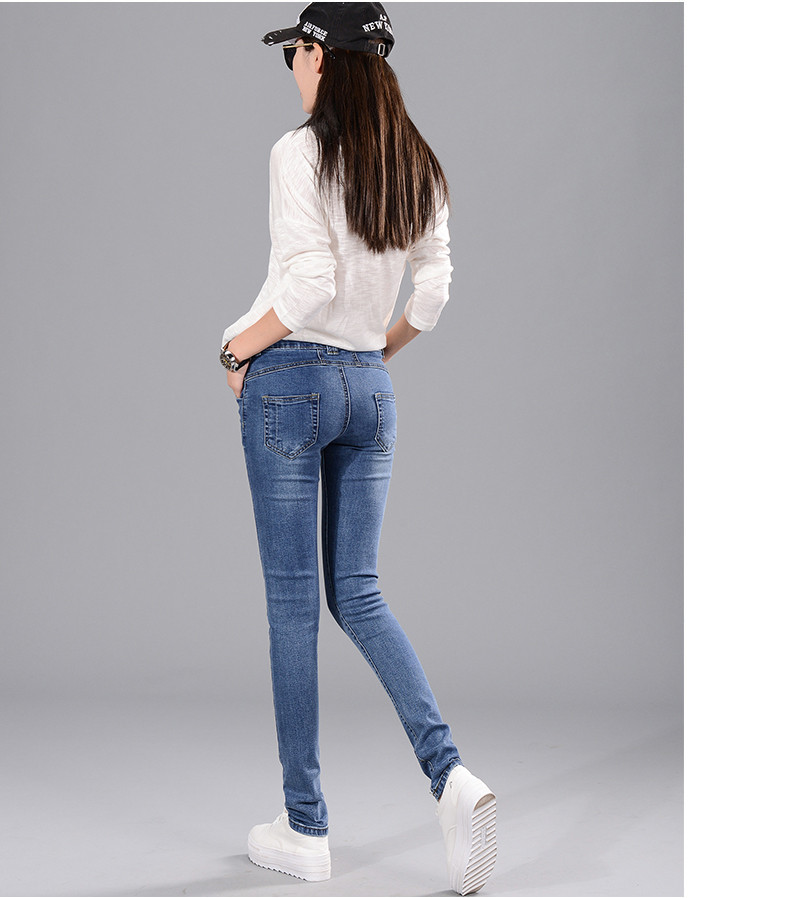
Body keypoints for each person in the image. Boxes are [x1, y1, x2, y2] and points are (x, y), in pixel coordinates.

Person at [218, 4, 496, 894]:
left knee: (294, 605)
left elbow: (306, 285)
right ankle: (450, 775)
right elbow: (434, 292)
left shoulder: (297, 153)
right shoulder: (418, 164)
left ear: (324, 58)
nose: (294, 69)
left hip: (290, 383)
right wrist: (374, 356)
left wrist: (235, 350)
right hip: (370, 391)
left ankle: (305, 827)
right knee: (361, 593)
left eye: (297, 53)